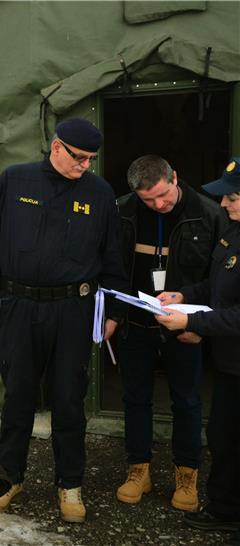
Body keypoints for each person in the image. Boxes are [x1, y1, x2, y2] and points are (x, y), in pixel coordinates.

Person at [0, 118, 127, 523]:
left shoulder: (99, 192)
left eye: (91, 158)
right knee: (18, 395)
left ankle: (69, 484)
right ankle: (9, 477)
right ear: (56, 147)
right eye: (78, 157)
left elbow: (113, 257)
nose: (85, 165)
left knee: (69, 399)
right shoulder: (15, 181)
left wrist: (113, 312)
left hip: (74, 310)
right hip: (18, 306)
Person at [114, 155, 226, 511]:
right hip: (135, 325)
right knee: (134, 398)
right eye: (149, 200)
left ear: (174, 177)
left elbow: (220, 281)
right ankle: (138, 470)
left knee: (188, 401)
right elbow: (112, 266)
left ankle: (187, 474)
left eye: (163, 195)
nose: (158, 205)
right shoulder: (122, 212)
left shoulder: (209, 214)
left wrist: (201, 327)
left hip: (185, 329)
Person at [156, 158, 240, 546]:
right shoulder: (235, 233)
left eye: (233, 197)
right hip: (229, 364)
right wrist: (185, 296)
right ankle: (225, 509)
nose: (224, 205)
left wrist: (191, 323)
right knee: (224, 436)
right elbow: (217, 287)